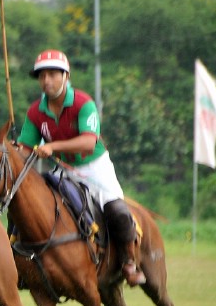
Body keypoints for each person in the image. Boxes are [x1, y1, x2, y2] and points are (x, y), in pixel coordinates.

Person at [16, 49, 145, 286]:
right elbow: (25, 149)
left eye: (53, 74)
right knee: (35, 205)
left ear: (66, 76)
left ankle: (129, 262)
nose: (46, 81)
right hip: (63, 171)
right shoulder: (35, 112)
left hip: (94, 167)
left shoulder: (83, 103)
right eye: (42, 76)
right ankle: (25, 264)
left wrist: (52, 146)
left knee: (117, 211)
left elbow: (88, 141)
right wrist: (12, 152)